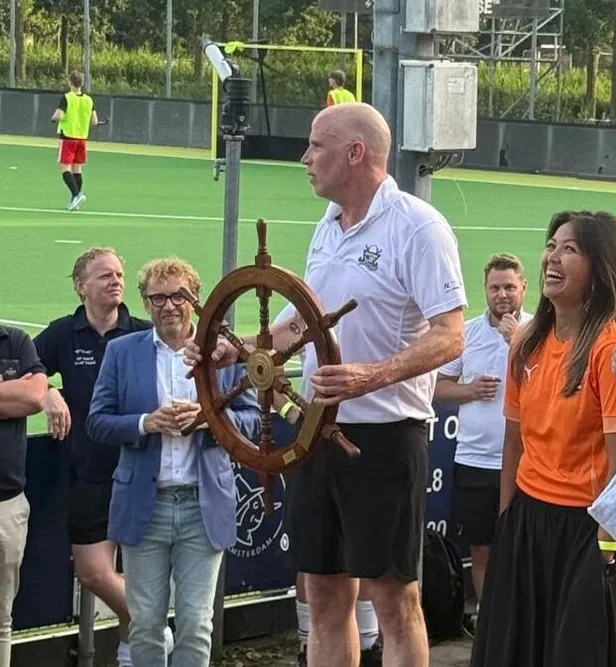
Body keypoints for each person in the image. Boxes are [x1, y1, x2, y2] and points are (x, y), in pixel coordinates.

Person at [185, 102, 467, 667]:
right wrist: (236, 348)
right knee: (325, 594)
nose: (304, 158)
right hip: (312, 431)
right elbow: (303, 322)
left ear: (355, 153)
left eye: (316, 146)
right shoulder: (327, 226)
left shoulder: (418, 226)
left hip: (385, 435)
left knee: (394, 599)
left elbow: (451, 335)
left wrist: (374, 374)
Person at [470, 210, 616, 667]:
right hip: (529, 523)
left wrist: (607, 546)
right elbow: (515, 441)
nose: (552, 257)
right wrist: (508, 518)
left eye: (569, 249)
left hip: (588, 534)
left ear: (601, 266)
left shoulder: (614, 351)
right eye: (552, 245)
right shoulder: (526, 343)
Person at [87, 257, 260, 667]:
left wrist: (209, 420)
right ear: (146, 304)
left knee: (197, 623)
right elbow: (97, 421)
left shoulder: (222, 353)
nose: (169, 306)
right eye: (158, 298)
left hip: (203, 505)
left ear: (195, 300)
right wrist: (146, 423)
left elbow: (253, 422)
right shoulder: (121, 351)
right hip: (145, 506)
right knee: (144, 623)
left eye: (179, 296)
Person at [32, 247, 158, 666]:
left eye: (119, 274)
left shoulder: (142, 333)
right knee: (93, 573)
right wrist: (48, 392)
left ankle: (132, 654)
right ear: (80, 285)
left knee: (138, 576)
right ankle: (152, 626)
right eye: (105, 275)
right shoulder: (62, 334)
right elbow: (23, 370)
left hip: (141, 471)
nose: (116, 281)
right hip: (87, 473)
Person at [434, 252, 531, 620]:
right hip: (474, 459)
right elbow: (437, 389)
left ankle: (523, 625)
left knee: (523, 548)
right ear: (485, 291)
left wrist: (517, 343)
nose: (502, 294)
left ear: (523, 287)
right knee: (482, 549)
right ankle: (491, 625)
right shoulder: (467, 334)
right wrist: (471, 391)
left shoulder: (538, 331)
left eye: (509, 286)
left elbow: (555, 385)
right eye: (495, 287)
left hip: (527, 460)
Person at [0, 325, 47, 667]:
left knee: (1, 619)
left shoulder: (14, 341)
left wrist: (24, 395)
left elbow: (33, 397)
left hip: (7, 503)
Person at [51, 70, 99, 211]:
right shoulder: (89, 100)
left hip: (68, 137)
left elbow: (58, 115)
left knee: (65, 168)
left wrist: (53, 118)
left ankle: (76, 194)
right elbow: (95, 121)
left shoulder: (67, 97)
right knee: (77, 169)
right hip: (82, 139)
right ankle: (74, 199)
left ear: (70, 82)